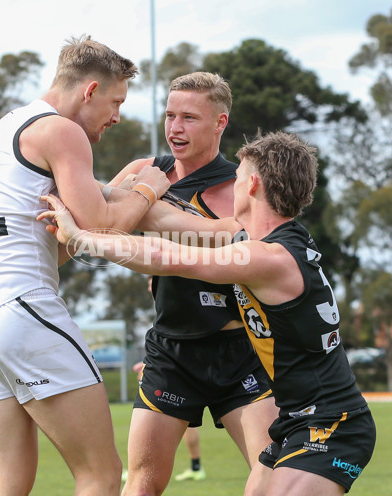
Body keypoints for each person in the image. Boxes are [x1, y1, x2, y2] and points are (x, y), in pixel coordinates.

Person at [39, 129, 377, 495]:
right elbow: (166, 221)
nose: (232, 182)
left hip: (332, 424)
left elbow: (165, 256)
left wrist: (82, 238)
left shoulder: (267, 257)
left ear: (252, 186)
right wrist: (79, 185)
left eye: (239, 176)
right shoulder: (254, 239)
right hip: (297, 422)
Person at [0, 35, 170, 496]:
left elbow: (69, 242)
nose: (117, 116)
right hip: (20, 312)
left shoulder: (10, 123)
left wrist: (106, 202)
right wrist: (149, 186)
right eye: (115, 101)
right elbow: (101, 227)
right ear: (89, 91)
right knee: (101, 475)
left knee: (4, 485)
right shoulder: (60, 130)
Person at [107, 72, 277, 495]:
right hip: (171, 350)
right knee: (142, 482)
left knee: (273, 471)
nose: (174, 128)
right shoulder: (144, 173)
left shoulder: (242, 186)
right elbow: (101, 225)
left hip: (240, 352)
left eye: (188, 118)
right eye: (169, 115)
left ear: (220, 123)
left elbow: (266, 251)